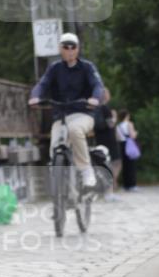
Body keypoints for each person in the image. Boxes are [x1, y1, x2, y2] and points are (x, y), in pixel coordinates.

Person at [28, 32, 103, 189]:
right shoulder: (54, 68)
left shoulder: (87, 67)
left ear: (77, 49)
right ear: (60, 49)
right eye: (66, 47)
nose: (69, 50)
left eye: (72, 47)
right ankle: (60, 188)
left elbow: (97, 85)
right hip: (61, 116)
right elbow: (42, 83)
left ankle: (85, 170)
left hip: (83, 114)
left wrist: (95, 98)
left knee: (75, 130)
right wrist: (35, 96)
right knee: (55, 146)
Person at [94, 87, 121, 197]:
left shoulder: (95, 108)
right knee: (116, 162)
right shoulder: (106, 108)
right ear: (106, 96)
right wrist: (114, 117)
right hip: (109, 139)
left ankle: (109, 187)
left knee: (104, 163)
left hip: (99, 138)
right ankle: (111, 185)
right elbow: (110, 124)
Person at [117, 109, 139, 191]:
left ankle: (125, 185)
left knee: (125, 165)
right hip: (129, 144)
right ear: (127, 116)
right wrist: (136, 133)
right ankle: (132, 184)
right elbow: (133, 136)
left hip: (122, 145)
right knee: (131, 165)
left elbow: (118, 138)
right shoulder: (129, 124)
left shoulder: (118, 126)